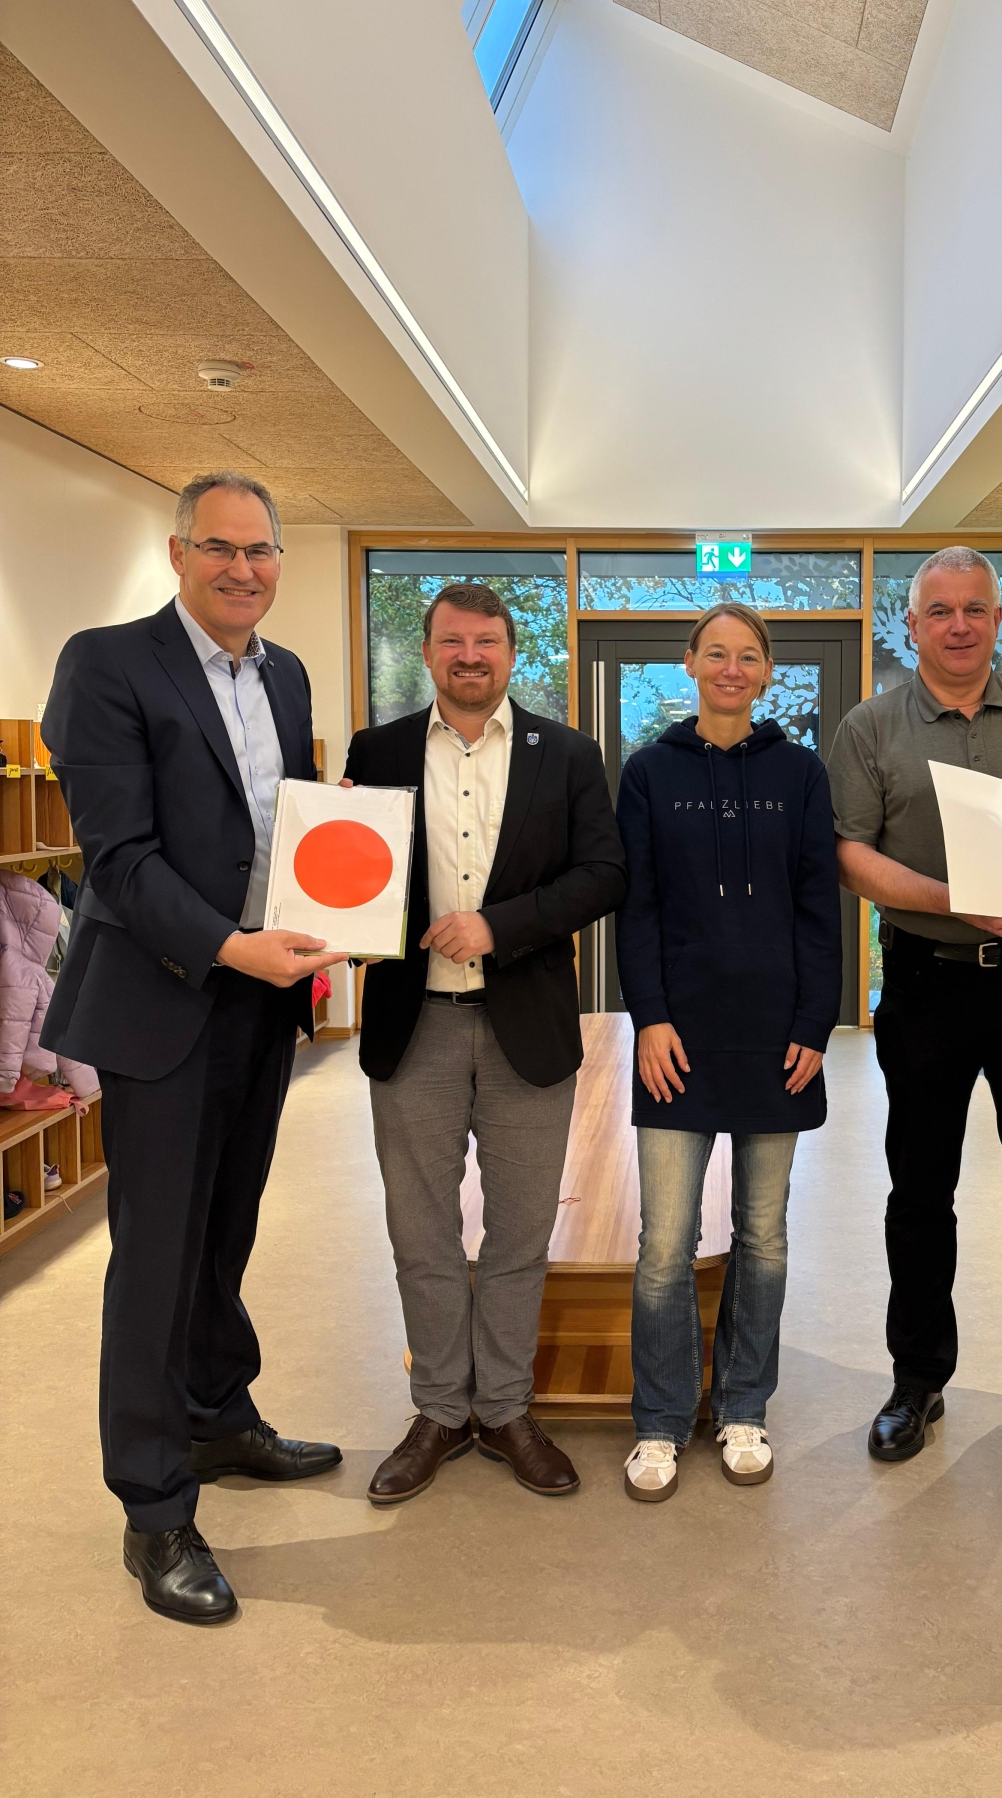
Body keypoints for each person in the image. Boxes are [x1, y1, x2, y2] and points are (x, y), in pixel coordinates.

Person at [41, 470, 349, 1625]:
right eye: (219, 549)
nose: (243, 569)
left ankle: (220, 1417)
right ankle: (155, 1507)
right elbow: (117, 860)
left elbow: (282, 823)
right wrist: (230, 947)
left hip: (262, 1005)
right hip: (166, 1000)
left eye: (261, 552)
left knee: (227, 1230)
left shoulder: (287, 671)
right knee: (157, 1257)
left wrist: (338, 866)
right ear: (178, 554)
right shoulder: (107, 664)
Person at [344, 584, 627, 1506]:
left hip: (526, 1027)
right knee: (419, 1230)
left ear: (513, 654)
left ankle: (505, 1408)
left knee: (518, 1231)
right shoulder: (376, 752)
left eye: (488, 642)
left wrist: (498, 926)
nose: (471, 656)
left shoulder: (569, 755)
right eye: (453, 641)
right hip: (411, 1024)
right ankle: (437, 1408)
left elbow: (604, 874)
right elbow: (352, 872)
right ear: (426, 653)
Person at [828, 546, 1002, 1472]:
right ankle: (918, 1379)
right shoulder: (870, 727)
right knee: (919, 1193)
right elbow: (851, 855)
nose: (957, 625)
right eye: (939, 611)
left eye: (974, 610)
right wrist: (956, 898)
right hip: (926, 982)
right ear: (910, 626)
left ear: (997, 620)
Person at [613, 604, 842, 1500]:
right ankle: (662, 1421)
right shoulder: (648, 774)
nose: (733, 669)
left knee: (764, 1236)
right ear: (690, 663)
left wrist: (813, 1026)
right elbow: (639, 912)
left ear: (769, 671)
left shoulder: (802, 774)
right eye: (718, 654)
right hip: (680, 1036)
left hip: (777, 1038)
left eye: (749, 657)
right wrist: (651, 1019)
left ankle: (744, 1406)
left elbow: (822, 910)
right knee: (665, 1243)